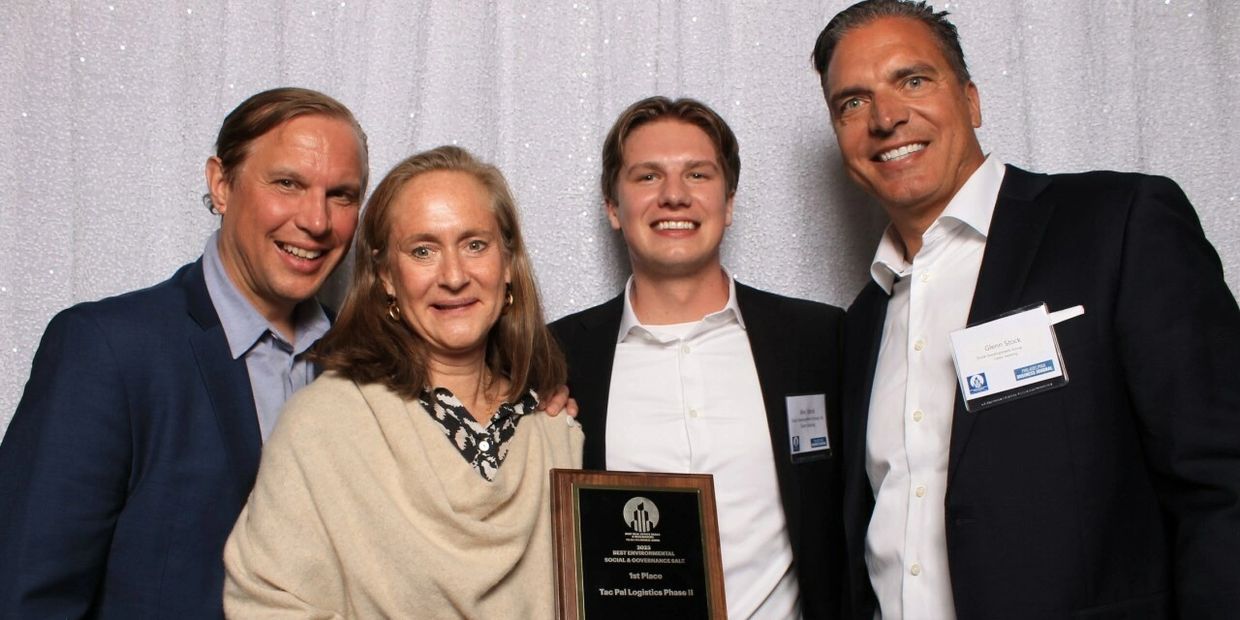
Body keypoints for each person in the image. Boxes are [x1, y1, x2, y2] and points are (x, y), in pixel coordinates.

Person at [812, 1, 1240, 618]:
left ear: (972, 99)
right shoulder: (860, 324)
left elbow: (1221, 481)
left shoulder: (1117, 224)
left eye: (912, 80)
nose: (885, 117)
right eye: (852, 102)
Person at [0, 87, 368, 617]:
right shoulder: (108, 349)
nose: (316, 219)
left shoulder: (362, 366)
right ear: (222, 184)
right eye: (287, 183)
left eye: (341, 195)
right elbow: (26, 597)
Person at [223, 145, 583, 617]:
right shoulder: (325, 425)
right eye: (423, 251)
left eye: (475, 244)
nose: (454, 276)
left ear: (508, 265)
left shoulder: (553, 431)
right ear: (387, 276)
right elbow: (267, 607)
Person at [550, 96, 846, 619]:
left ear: (729, 203)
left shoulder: (819, 341)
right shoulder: (556, 357)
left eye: (698, 175)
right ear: (613, 208)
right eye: (647, 177)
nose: (673, 196)